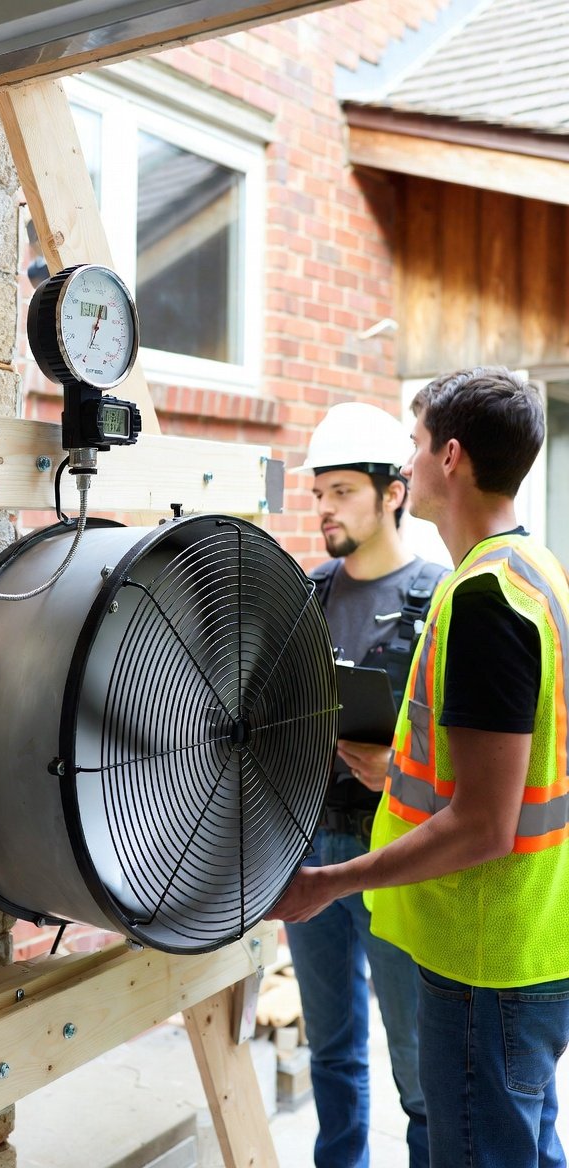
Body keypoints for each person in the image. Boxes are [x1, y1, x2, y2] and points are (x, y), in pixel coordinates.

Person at [275, 367, 569, 1168]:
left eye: (413, 444)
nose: (405, 462)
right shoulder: (537, 573)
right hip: (526, 937)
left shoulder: (480, 598)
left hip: (486, 950)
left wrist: (334, 882)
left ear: (450, 457)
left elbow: (482, 823)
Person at [287, 401, 447, 1168]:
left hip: (399, 853)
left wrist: (401, 771)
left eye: (342, 491)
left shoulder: (443, 596)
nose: (323, 508)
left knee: (419, 1072)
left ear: (394, 493)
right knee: (332, 1051)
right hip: (309, 847)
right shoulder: (309, 594)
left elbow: (477, 753)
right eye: (319, 492)